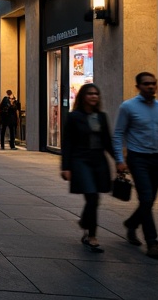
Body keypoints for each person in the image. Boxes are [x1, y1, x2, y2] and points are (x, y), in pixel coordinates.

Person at [113, 72, 158, 259]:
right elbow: (118, 134)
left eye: (153, 83)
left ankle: (132, 224)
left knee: (149, 200)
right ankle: (153, 242)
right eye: (146, 84)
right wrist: (119, 160)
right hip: (137, 158)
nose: (151, 87)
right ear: (138, 87)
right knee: (147, 198)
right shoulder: (128, 107)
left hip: (157, 158)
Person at [60, 84, 117, 252]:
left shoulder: (101, 116)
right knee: (92, 196)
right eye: (90, 94)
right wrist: (66, 167)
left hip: (99, 161)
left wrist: (119, 160)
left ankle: (85, 222)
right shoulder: (74, 117)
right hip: (80, 160)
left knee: (95, 198)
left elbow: (108, 141)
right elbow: (67, 143)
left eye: (96, 94)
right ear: (83, 96)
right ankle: (91, 235)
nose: (94, 97)